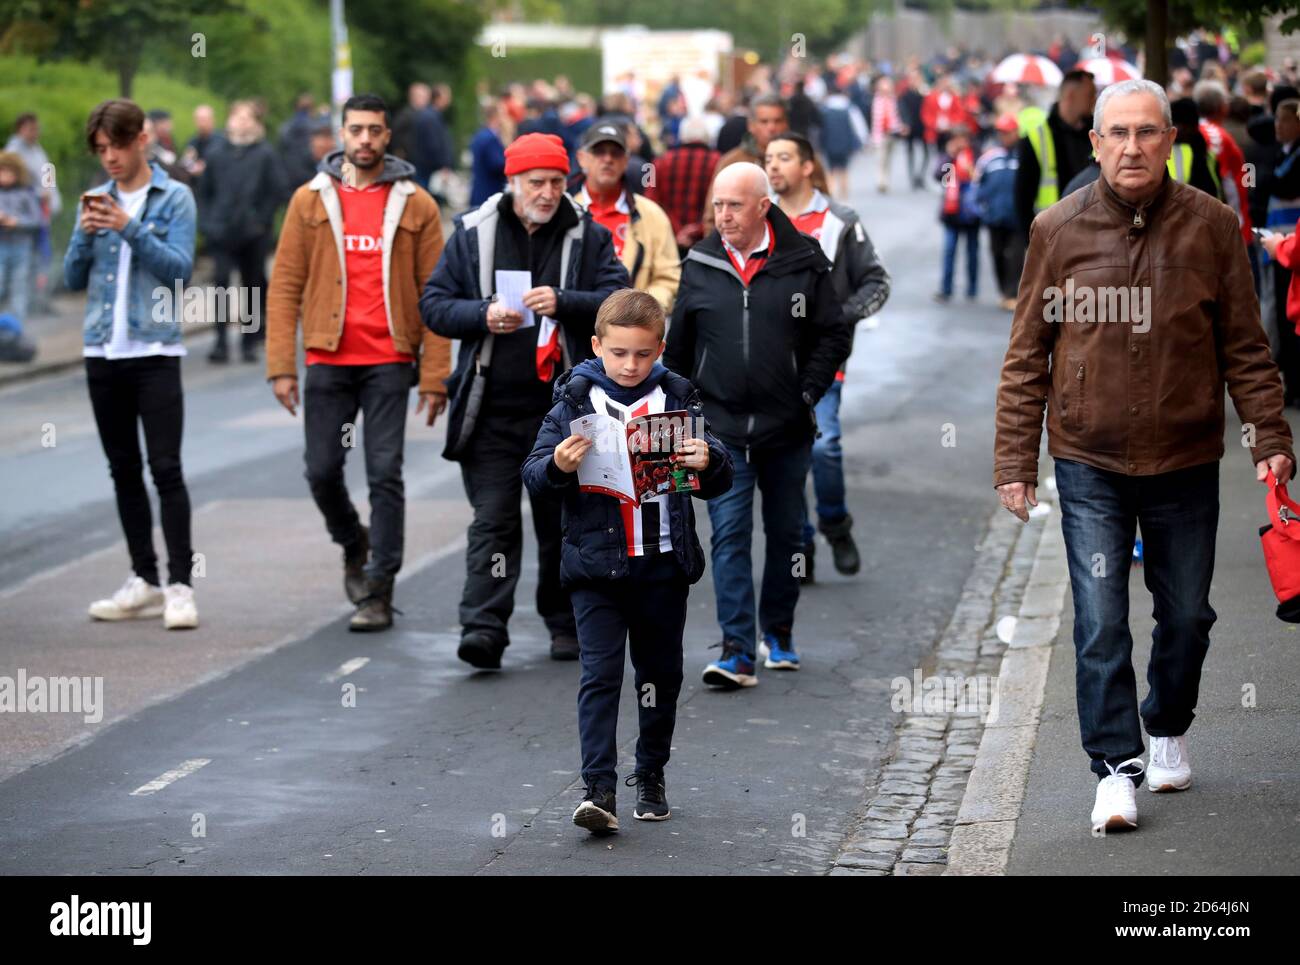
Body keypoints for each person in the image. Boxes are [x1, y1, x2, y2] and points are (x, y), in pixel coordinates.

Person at [994, 79, 1295, 834]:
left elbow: (1247, 350)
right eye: (1117, 133)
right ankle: (1115, 768)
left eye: (1147, 132)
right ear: (1095, 143)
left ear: (1170, 141)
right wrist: (1014, 460)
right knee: (1100, 621)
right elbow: (1028, 353)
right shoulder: (1056, 230)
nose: (1132, 146)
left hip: (1186, 457)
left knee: (1187, 615)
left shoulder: (1213, 227)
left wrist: (1270, 437)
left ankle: (1166, 723)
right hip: (1088, 459)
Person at [522, 288, 734, 833]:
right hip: (595, 567)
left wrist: (707, 461)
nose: (630, 364)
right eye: (618, 353)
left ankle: (651, 773)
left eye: (643, 354)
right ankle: (599, 789)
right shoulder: (573, 399)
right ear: (597, 346)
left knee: (660, 675)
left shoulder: (678, 399)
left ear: (660, 348)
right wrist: (558, 467)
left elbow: (720, 472)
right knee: (600, 674)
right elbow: (534, 471)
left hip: (662, 562)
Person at [421, 132, 629, 669]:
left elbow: (620, 302)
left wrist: (565, 302)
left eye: (557, 182)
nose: (547, 192)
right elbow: (435, 306)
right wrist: (483, 314)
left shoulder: (588, 235)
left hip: (562, 411)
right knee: (493, 521)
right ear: (513, 182)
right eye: (536, 182)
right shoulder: (472, 233)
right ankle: (483, 628)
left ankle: (564, 626)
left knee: (559, 520)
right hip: (489, 408)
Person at [265, 93, 450, 631]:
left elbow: (435, 294)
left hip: (389, 358)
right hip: (327, 356)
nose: (365, 138)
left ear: (388, 137)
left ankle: (378, 590)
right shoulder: (309, 201)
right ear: (341, 134)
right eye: (356, 129)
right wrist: (281, 364)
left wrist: (435, 375)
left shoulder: (417, 203)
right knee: (321, 470)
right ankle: (353, 541)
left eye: (374, 130)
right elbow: (284, 287)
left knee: (384, 474)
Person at [664, 163, 850, 687]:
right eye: (717, 205)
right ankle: (736, 651)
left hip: (786, 427)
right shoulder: (699, 261)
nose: (723, 216)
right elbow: (679, 348)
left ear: (763, 206)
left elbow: (832, 335)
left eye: (734, 205)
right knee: (729, 536)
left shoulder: (803, 261)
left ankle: (780, 631)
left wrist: (808, 390)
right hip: (720, 431)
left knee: (788, 536)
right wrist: (684, 415)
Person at [64, 99, 200, 630]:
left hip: (155, 354)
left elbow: (180, 273)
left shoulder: (175, 198)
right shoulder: (95, 198)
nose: (110, 158)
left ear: (141, 138)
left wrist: (128, 227)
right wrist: (84, 231)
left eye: (117, 145)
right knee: (122, 471)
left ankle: (181, 585)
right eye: (101, 150)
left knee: (165, 470)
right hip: (102, 352)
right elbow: (73, 279)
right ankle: (142, 577)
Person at [766, 133, 890, 580]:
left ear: (807, 167)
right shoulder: (760, 218)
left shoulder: (840, 220)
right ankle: (801, 543)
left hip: (823, 363)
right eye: (769, 159)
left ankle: (835, 524)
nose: (774, 167)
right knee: (787, 454)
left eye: (784, 158)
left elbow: (877, 283)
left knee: (824, 445)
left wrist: (840, 319)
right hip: (769, 364)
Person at [198, 100, 286, 363]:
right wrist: (208, 223)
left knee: (252, 287)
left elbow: (277, 190)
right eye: (238, 117)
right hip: (221, 231)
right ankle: (221, 342)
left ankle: (249, 342)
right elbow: (204, 192)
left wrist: (262, 220)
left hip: (253, 234)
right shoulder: (216, 153)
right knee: (221, 283)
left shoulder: (265, 153)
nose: (242, 122)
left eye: (248, 118)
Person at [572, 122, 680, 312]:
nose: (608, 159)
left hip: (635, 331)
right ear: (582, 158)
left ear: (626, 160)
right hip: (576, 327)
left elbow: (669, 278)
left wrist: (639, 311)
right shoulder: (568, 212)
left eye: (616, 153)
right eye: (599, 152)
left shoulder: (651, 215)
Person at [1015, 69, 1097, 238]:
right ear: (1071, 95)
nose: (1094, 101)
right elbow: (1022, 201)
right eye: (1090, 95)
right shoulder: (1036, 138)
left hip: (1091, 233)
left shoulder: (1096, 134)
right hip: (1052, 237)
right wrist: (1035, 247)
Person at [643, 116, 719, 255]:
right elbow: (720, 204)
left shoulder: (656, 163)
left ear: (682, 136)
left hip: (666, 243)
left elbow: (648, 202)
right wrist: (697, 229)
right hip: (706, 244)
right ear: (708, 137)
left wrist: (676, 230)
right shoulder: (719, 162)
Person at [975, 113, 1024, 311]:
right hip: (994, 217)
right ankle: (1004, 290)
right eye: (1001, 133)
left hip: (1018, 217)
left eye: (1008, 132)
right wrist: (981, 207)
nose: (1005, 136)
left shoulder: (1024, 156)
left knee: (1016, 256)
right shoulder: (989, 158)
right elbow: (977, 184)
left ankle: (1012, 293)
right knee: (996, 254)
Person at [934, 125, 980, 302]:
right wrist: (950, 157)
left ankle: (972, 288)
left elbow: (979, 177)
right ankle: (946, 288)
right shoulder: (949, 158)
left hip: (970, 213)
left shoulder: (975, 156)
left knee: (972, 251)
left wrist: (970, 169)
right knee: (949, 250)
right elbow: (940, 176)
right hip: (951, 213)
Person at [0, 151, 42, 327]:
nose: (5, 176)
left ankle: (17, 326)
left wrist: (17, 222)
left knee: (19, 287)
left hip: (21, 247)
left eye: (9, 172)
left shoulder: (26, 194)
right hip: (1, 246)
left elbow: (37, 220)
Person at [468, 99, 509, 207]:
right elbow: (498, 165)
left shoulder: (481, 134)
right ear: (496, 116)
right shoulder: (490, 138)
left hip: (480, 190)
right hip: (488, 191)